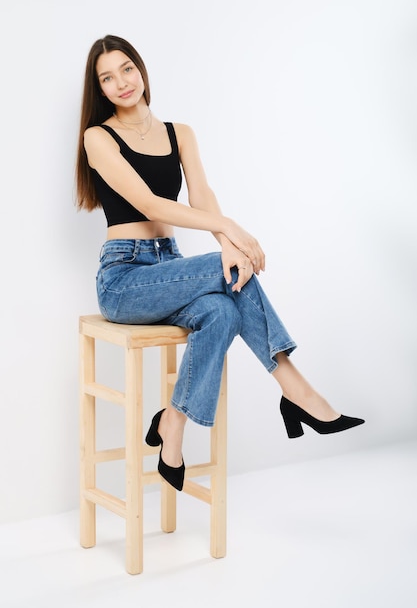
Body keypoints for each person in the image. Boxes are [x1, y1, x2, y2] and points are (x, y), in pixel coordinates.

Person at [76, 34, 364, 491]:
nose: (121, 83)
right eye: (107, 78)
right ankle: (297, 391)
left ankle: (173, 421)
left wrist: (223, 237)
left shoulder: (179, 133)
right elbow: (150, 204)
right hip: (125, 278)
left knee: (225, 308)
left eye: (126, 68)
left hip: (170, 266)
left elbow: (201, 196)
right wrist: (230, 230)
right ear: (101, 90)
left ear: (141, 69)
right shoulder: (98, 137)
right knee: (227, 269)